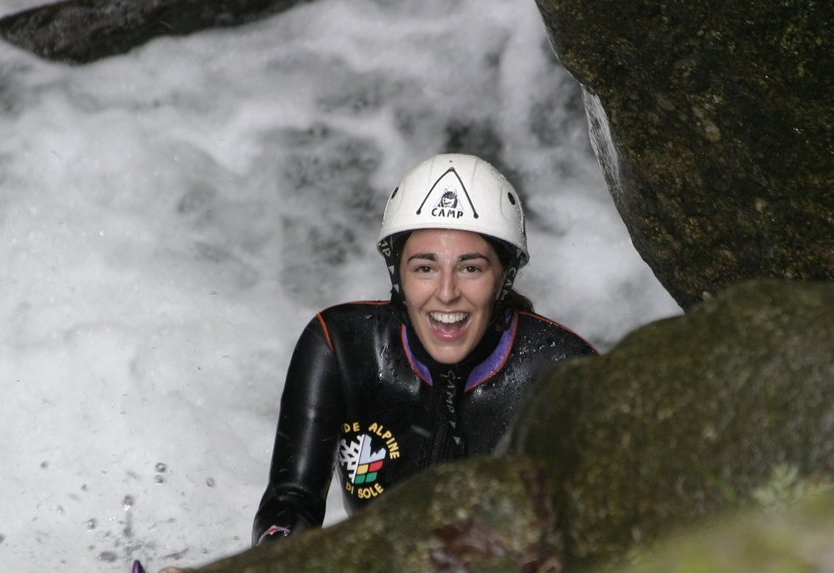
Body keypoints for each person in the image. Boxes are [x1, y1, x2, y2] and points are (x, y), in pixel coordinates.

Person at [252, 153, 596, 545]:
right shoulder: (343, 348)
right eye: (424, 268)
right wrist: (270, 561)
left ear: (504, 277)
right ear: (397, 274)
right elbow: (291, 500)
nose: (446, 294)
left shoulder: (561, 371)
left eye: (471, 268)